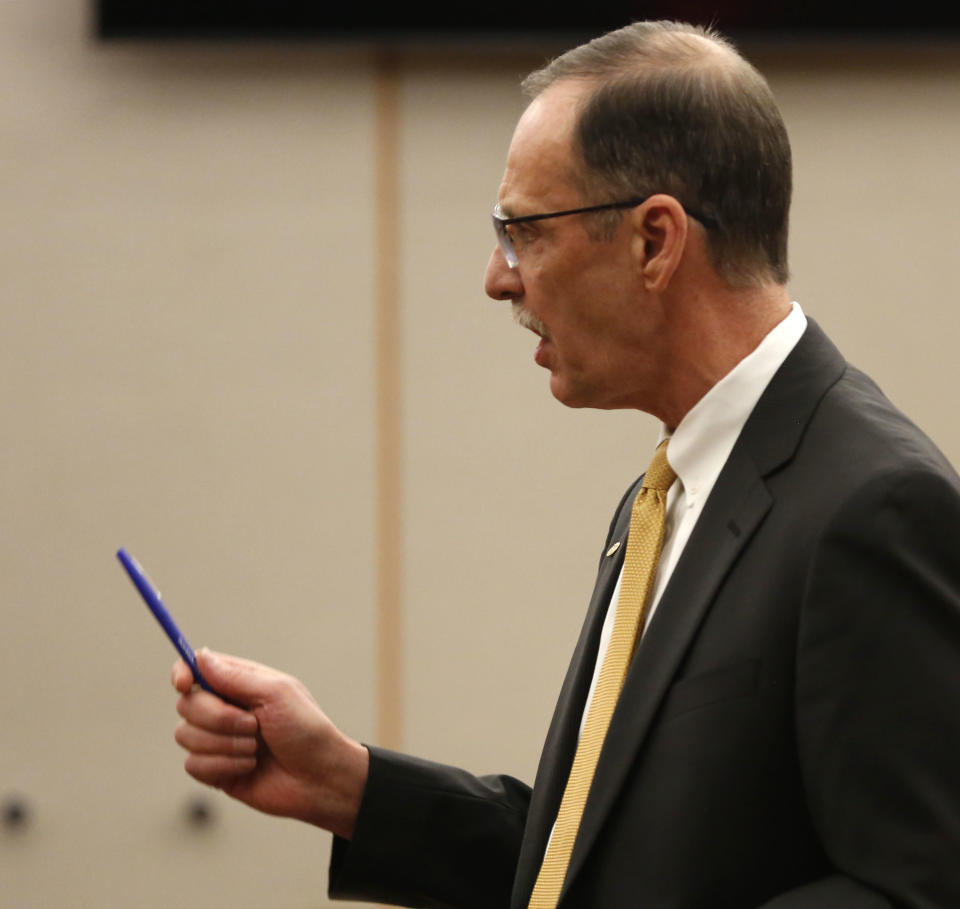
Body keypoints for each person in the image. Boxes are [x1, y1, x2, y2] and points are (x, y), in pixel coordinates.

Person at [171, 20, 960, 909]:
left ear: (654, 241)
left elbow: (914, 888)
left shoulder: (875, 507)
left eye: (525, 233)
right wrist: (349, 787)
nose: (498, 279)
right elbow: (599, 860)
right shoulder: (668, 494)